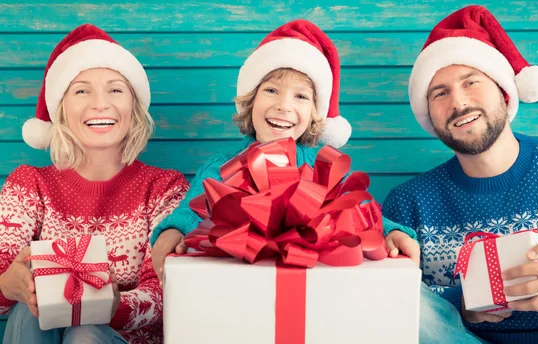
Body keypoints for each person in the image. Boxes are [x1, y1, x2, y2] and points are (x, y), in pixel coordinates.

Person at [151, 19, 480, 344]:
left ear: (314, 114)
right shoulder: (223, 167)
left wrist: (391, 230)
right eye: (271, 90)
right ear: (250, 101)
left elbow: (361, 208)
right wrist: (173, 230)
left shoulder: (326, 166)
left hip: (323, 298)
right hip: (243, 299)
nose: (284, 105)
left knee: (420, 310)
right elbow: (194, 207)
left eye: (301, 97)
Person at [384, 5, 538, 344]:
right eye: (440, 93)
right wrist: (461, 304)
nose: (458, 103)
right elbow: (391, 307)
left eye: (471, 82)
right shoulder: (408, 203)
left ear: (503, 91)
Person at [0, 24, 189, 344]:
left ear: (134, 106)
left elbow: (167, 293)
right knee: (27, 311)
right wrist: (10, 284)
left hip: (123, 338)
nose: (100, 103)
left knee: (84, 331)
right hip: (35, 330)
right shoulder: (29, 186)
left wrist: (111, 305)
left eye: (115, 89)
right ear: (61, 109)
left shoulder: (164, 189)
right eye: (82, 90)